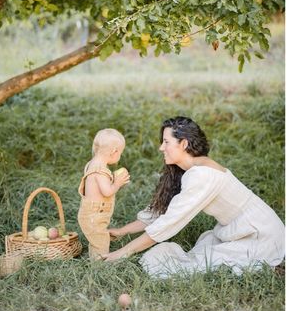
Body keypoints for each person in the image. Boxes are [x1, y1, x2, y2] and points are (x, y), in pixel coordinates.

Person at [103, 117, 285, 277]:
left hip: (261, 234)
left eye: (166, 142)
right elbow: (162, 213)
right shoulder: (192, 169)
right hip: (244, 228)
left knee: (189, 266)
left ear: (183, 144)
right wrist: (122, 231)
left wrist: (122, 253)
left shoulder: (202, 175)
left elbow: (169, 222)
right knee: (201, 256)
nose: (161, 148)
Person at [77, 128, 130, 260]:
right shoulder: (100, 171)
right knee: (101, 242)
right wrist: (117, 183)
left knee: (97, 239)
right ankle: (99, 266)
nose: (120, 156)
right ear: (114, 152)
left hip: (91, 213)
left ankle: (94, 257)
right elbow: (107, 192)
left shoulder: (92, 164)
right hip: (94, 215)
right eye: (120, 153)